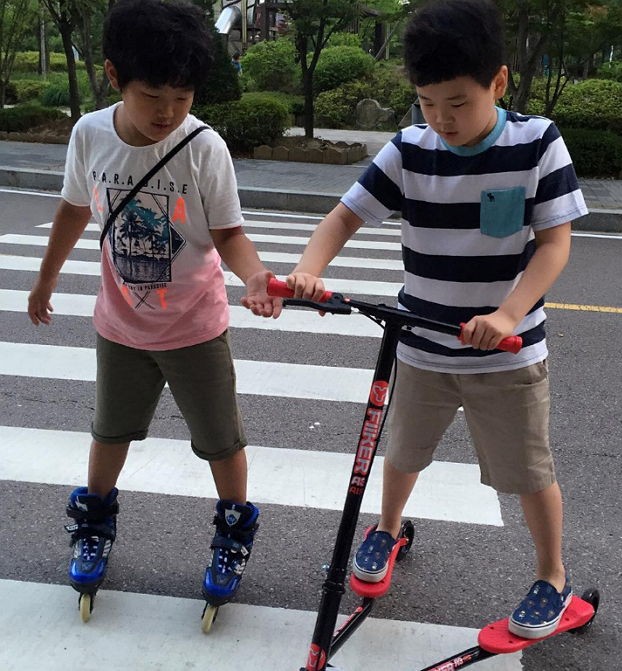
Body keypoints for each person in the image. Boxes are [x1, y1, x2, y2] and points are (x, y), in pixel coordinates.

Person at [269, 0, 588, 641]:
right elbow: (344, 217)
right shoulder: (410, 150)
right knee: (403, 452)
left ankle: (553, 576)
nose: (442, 119)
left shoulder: (536, 143)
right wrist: (309, 270)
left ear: (497, 82)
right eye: (427, 102)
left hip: (506, 353)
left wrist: (507, 313)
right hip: (419, 345)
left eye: (458, 102)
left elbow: (555, 243)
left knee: (527, 471)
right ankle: (386, 530)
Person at [27, 0, 280, 613]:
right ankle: (93, 523)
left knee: (222, 439)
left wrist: (254, 278)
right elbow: (73, 210)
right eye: (152, 95)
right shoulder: (89, 133)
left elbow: (229, 233)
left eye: (182, 96)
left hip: (195, 325)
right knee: (109, 432)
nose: (168, 112)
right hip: (120, 325)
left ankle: (232, 531)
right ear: (115, 77)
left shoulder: (203, 147)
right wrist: (44, 281)